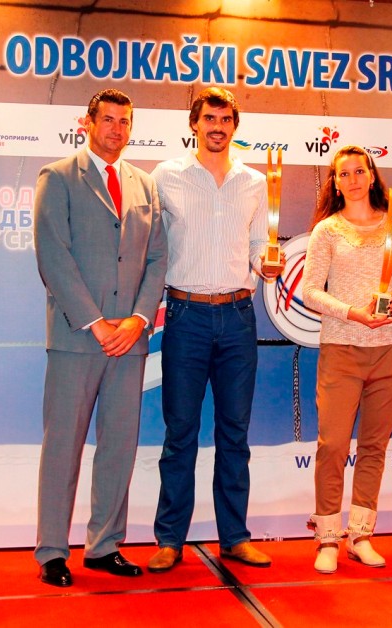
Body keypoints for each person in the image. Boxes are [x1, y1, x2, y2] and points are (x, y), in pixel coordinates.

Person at [33, 88, 167, 587]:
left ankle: (104, 545)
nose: (116, 129)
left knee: (119, 446)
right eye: (107, 119)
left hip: (130, 340)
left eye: (124, 121)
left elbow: (158, 258)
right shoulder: (57, 177)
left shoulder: (145, 185)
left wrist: (137, 319)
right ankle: (51, 551)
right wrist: (96, 322)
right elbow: (53, 256)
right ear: (87, 123)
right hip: (77, 338)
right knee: (63, 447)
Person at [147, 87, 284, 573]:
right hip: (185, 316)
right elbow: (149, 242)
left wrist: (267, 264)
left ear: (234, 126)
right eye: (209, 118)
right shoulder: (165, 175)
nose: (217, 127)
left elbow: (258, 244)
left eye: (226, 119)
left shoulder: (254, 182)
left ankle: (235, 537)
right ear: (194, 123)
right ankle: (169, 539)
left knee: (234, 433)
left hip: (238, 317)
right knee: (180, 432)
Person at [302, 145, 392, 574]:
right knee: (332, 445)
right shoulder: (327, 231)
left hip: (390, 348)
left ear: (372, 175)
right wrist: (353, 313)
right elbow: (310, 291)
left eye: (359, 171)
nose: (352, 179)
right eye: (343, 173)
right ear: (335, 182)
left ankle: (361, 535)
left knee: (373, 446)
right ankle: (327, 538)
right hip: (341, 349)